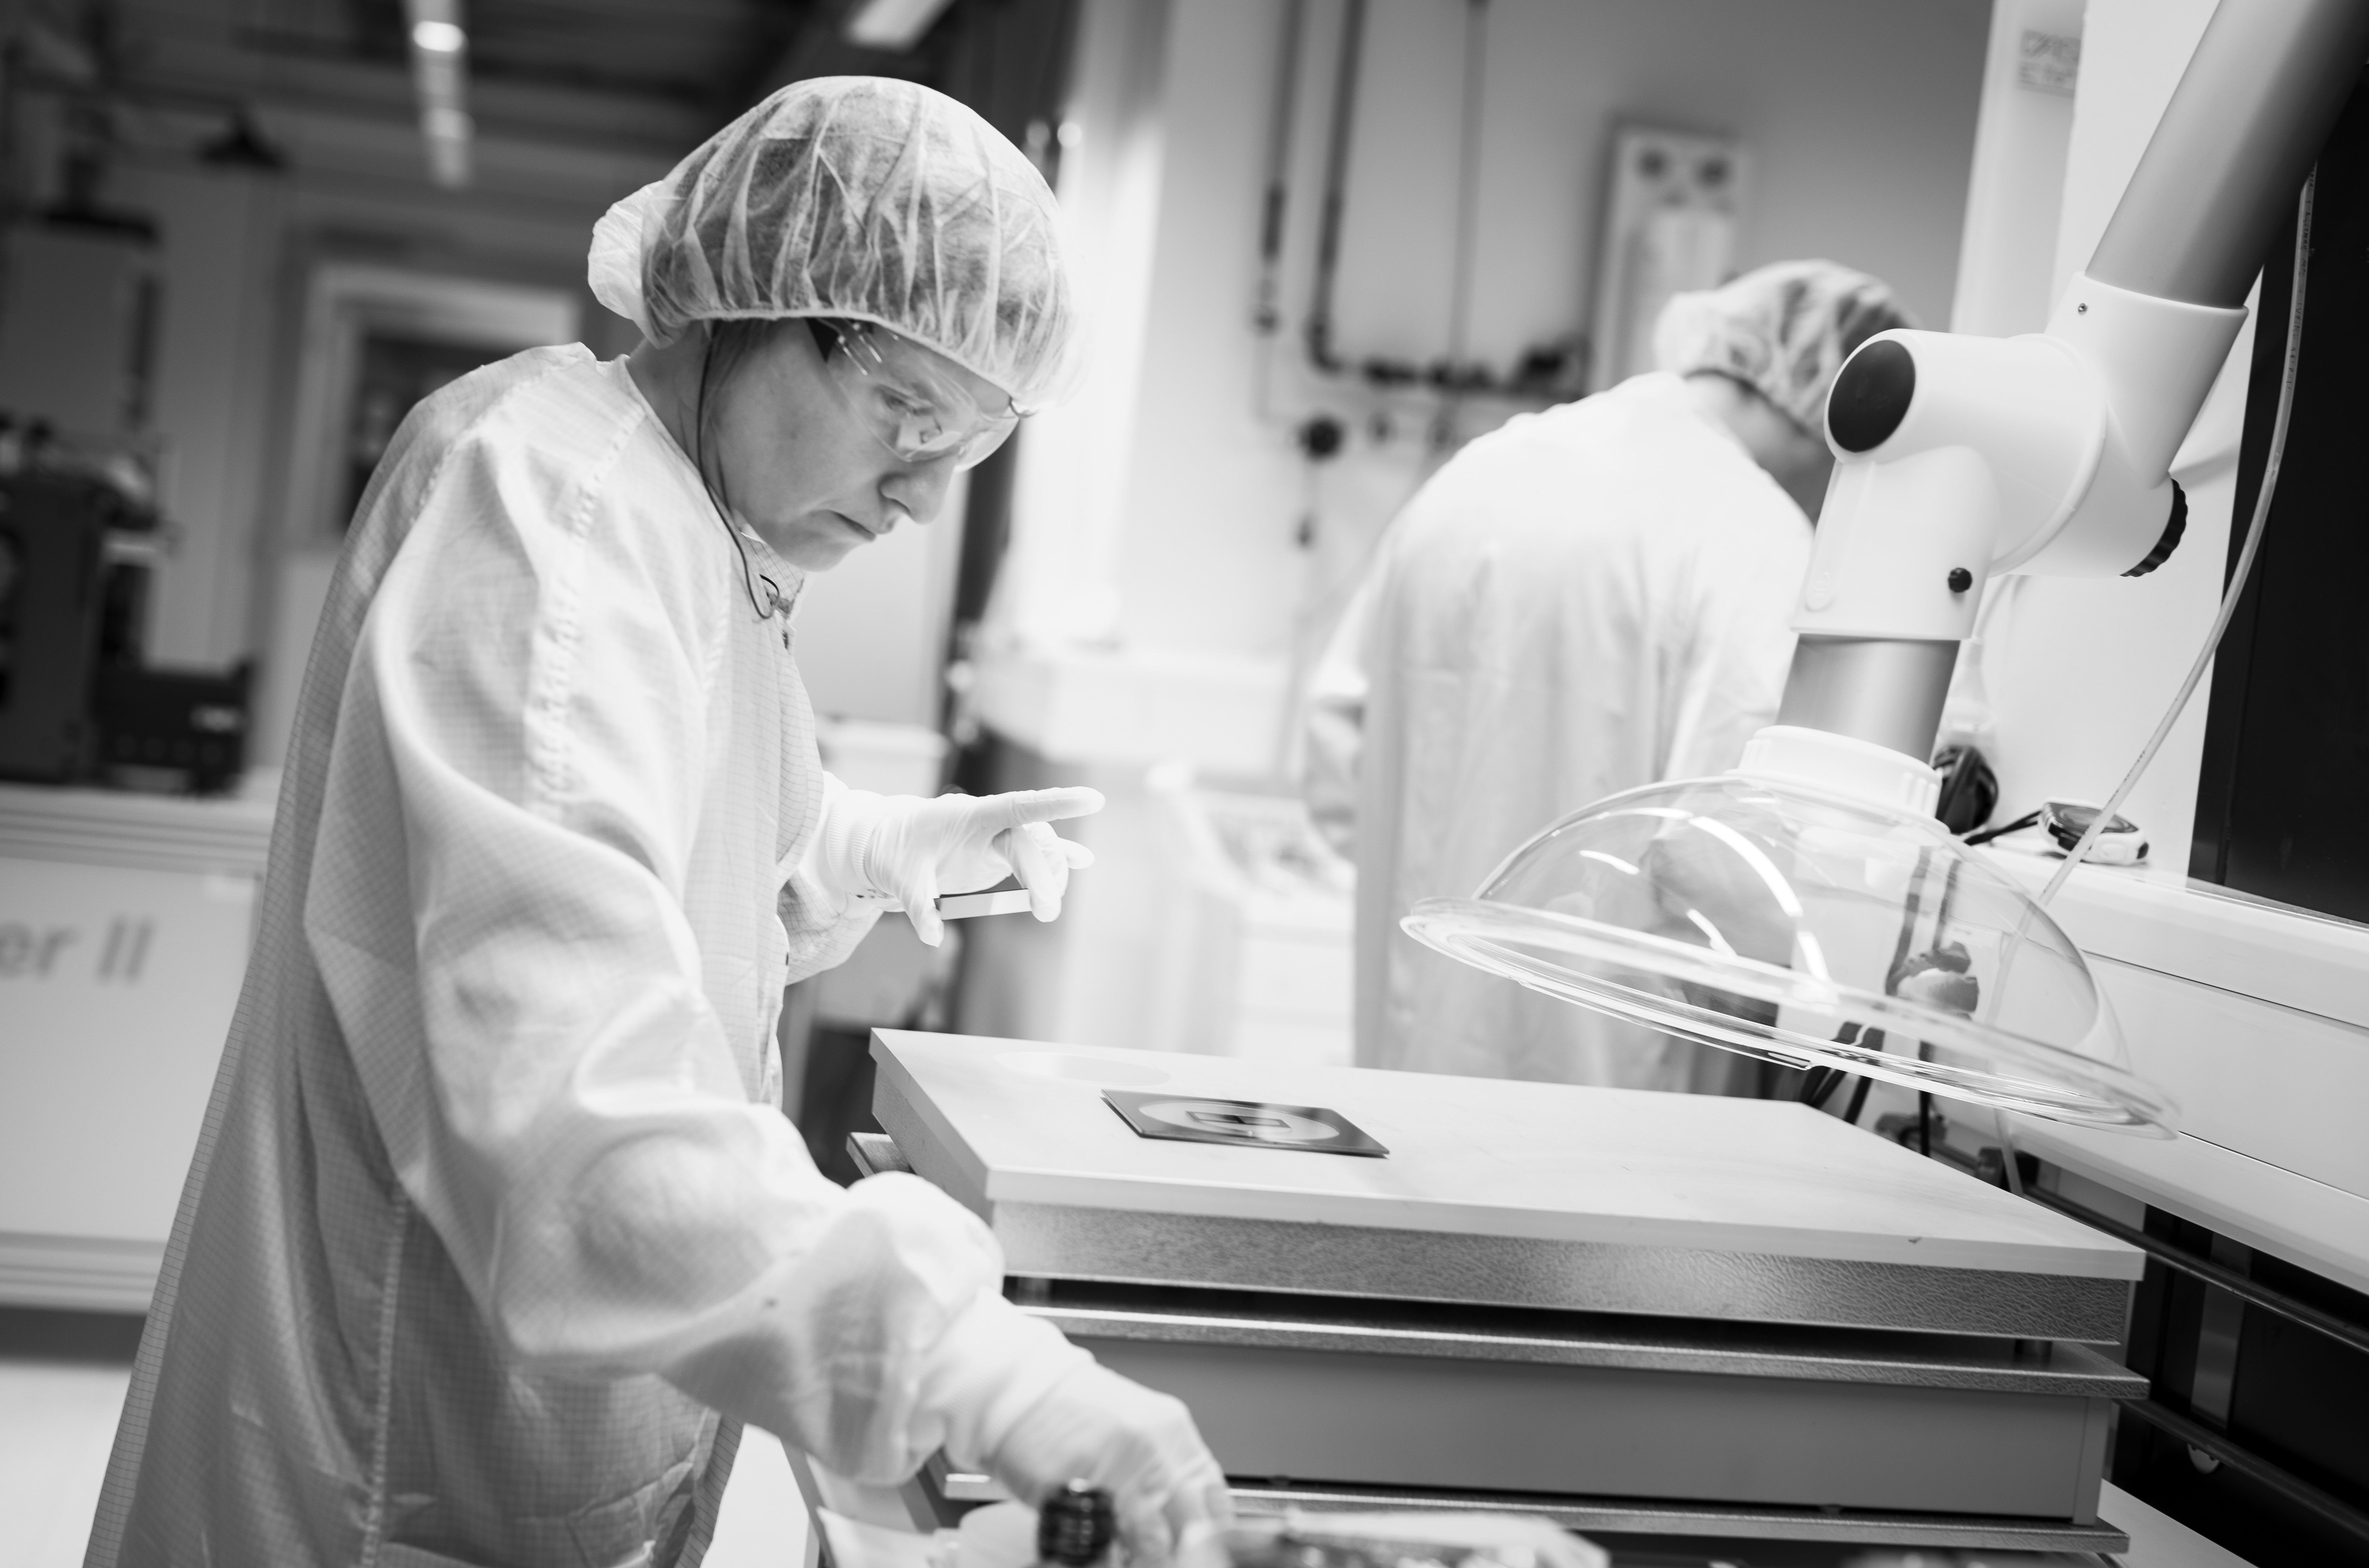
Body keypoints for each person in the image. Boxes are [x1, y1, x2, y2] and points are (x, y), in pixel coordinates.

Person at [87, 78, 1228, 1568]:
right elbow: (580, 1105)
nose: (924, 498)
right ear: (766, 302)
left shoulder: (701, 524)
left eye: (974, 448)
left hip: (540, 1427)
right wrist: (982, 1368)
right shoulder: (559, 519)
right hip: (407, 1439)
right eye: (908, 415)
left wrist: (876, 851)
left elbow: (679, 844)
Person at [1304, 261, 1913, 1092]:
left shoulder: (1481, 470)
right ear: (1843, 408)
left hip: (1413, 1042)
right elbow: (1734, 865)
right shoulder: (1752, 535)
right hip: (1606, 1078)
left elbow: (1339, 763)